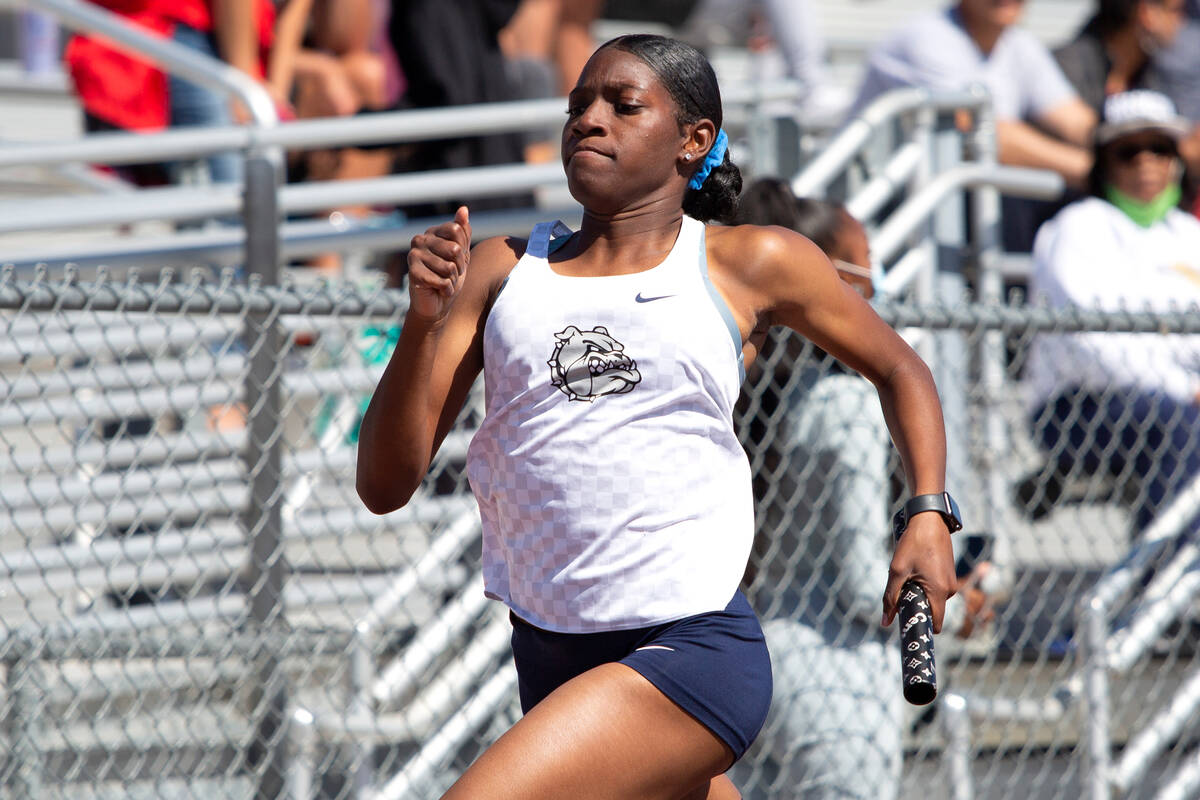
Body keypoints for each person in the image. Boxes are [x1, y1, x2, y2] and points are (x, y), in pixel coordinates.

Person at [357, 34, 958, 799]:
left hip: (692, 650)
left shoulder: (745, 261)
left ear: (693, 140)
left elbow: (901, 367)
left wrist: (928, 515)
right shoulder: (503, 271)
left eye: (622, 105)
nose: (589, 120)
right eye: (578, 105)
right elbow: (383, 483)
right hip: (550, 654)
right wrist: (422, 325)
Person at [728, 179, 994, 800]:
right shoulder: (844, 407)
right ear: (833, 280)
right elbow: (856, 583)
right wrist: (960, 618)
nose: (876, 283)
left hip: (763, 655)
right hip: (834, 673)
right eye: (866, 264)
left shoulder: (779, 397)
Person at [1026, 90, 1200, 549]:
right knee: (1181, 425)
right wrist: (1187, 388)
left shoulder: (1190, 235)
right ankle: (1157, 589)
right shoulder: (1077, 227)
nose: (1145, 162)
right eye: (1128, 150)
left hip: (1179, 401)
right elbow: (1091, 348)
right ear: (1105, 161)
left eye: (1159, 148)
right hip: (1077, 408)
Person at [65, 0, 295, 187]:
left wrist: (274, 86)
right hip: (171, 40)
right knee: (227, 201)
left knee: (215, 197)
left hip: (160, 42)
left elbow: (294, 10)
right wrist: (245, 81)